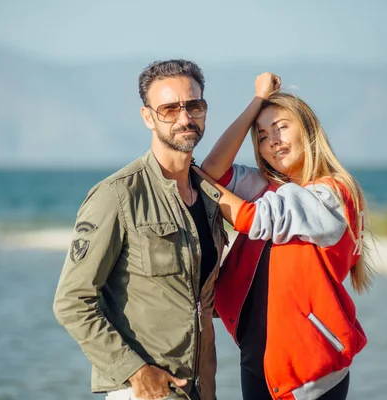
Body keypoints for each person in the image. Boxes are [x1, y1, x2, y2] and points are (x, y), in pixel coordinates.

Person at [53, 60, 228, 400]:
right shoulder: (116, 195)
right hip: (144, 392)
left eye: (194, 106)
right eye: (169, 109)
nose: (185, 118)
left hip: (201, 391)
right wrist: (134, 371)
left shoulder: (209, 197)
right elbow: (72, 301)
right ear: (148, 117)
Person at [198, 73, 375, 400]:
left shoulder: (332, 194)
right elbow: (214, 170)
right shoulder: (273, 189)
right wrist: (256, 102)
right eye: (262, 136)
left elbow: (252, 217)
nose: (273, 140)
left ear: (307, 129)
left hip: (307, 370)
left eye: (280, 127)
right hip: (259, 359)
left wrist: (195, 181)